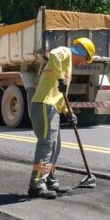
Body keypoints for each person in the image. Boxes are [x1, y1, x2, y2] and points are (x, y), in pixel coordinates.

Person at [27, 36, 95, 199]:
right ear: (81, 53)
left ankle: (50, 180)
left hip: (52, 107)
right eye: (85, 59)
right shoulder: (65, 52)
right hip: (44, 104)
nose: (83, 64)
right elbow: (53, 54)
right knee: (47, 144)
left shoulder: (68, 68)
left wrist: (68, 112)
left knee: (55, 147)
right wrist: (60, 78)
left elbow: (60, 95)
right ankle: (36, 184)